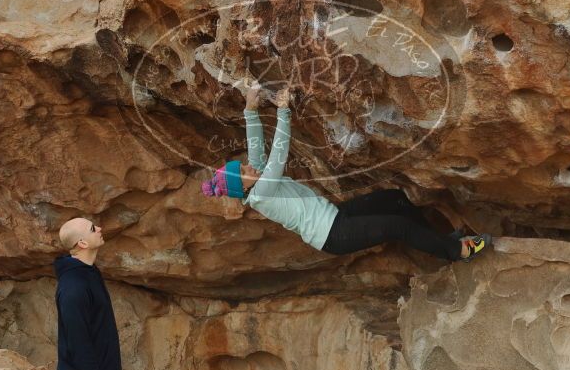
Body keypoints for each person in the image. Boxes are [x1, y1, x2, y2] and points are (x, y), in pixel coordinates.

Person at [201, 83, 492, 261]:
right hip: (333, 235)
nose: (249, 166)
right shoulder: (262, 193)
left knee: (394, 198)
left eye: (244, 166)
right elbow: (277, 155)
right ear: (245, 187)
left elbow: (258, 151)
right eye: (245, 171)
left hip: (335, 215)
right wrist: (283, 111)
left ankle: (442, 241)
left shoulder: (256, 181)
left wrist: (250, 110)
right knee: (397, 227)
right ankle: (458, 252)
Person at [54, 217, 122, 370]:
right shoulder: (73, 286)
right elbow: (78, 343)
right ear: (82, 242)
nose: (100, 228)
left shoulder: (89, 273)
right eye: (93, 228)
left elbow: (100, 331)